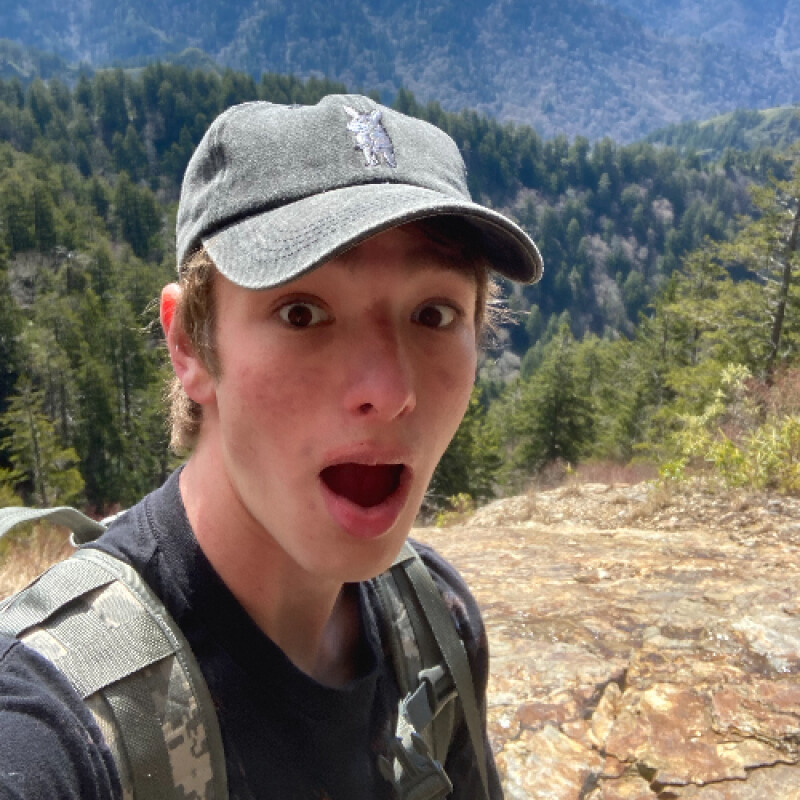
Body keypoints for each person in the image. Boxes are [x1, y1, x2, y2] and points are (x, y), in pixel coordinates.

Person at [0, 94, 542, 799]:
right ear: (190, 344)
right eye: (302, 313)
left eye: (433, 314)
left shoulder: (435, 623)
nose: (388, 391)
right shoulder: (59, 721)